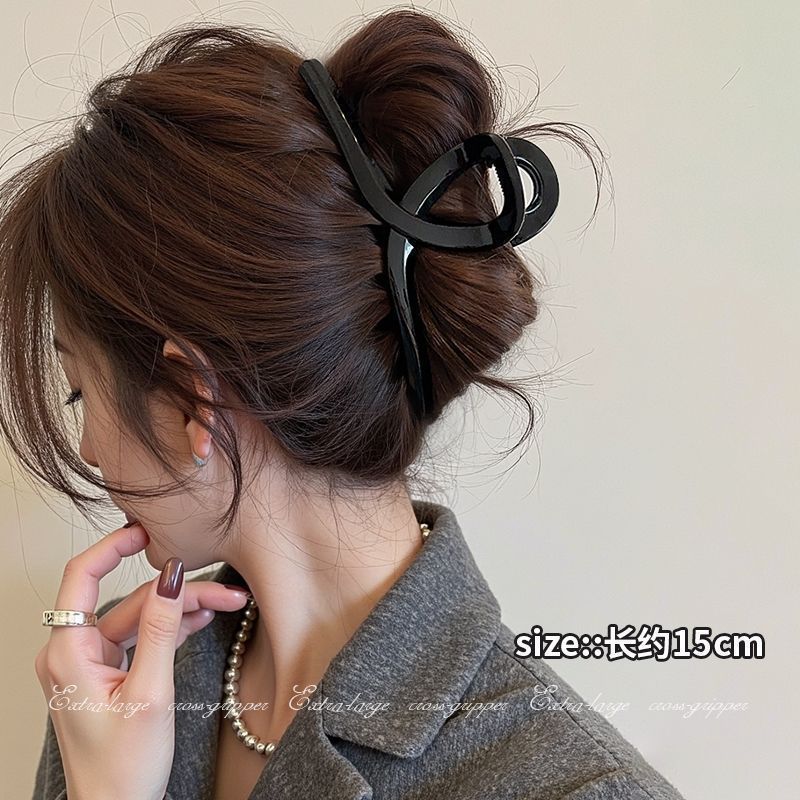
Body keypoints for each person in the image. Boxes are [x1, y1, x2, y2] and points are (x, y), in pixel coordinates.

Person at [0, 8, 685, 800]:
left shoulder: (574, 786)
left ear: (194, 401)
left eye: (80, 390)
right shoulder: (116, 684)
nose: (88, 449)